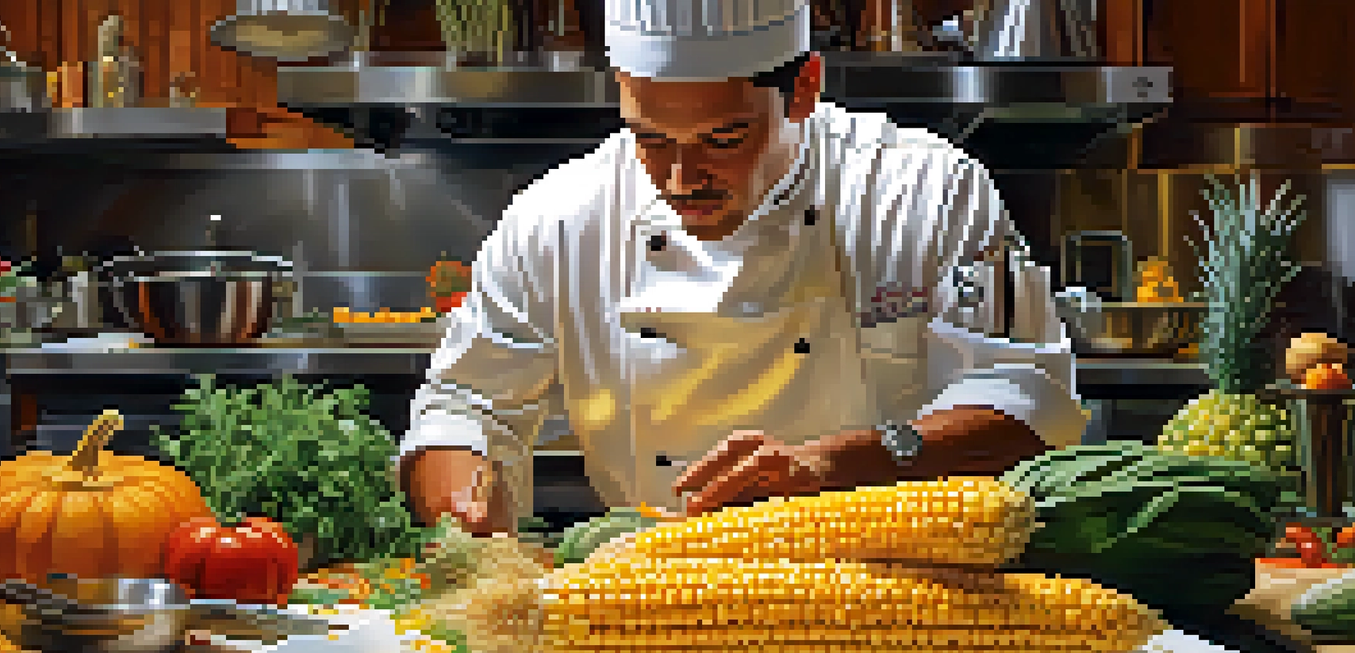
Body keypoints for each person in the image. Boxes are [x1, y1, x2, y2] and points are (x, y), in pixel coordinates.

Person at [397, 0, 1088, 534]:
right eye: (649, 138)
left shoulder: (925, 191)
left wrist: (835, 462)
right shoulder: (557, 220)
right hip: (657, 612)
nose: (679, 176)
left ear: (805, 89)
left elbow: (1023, 401)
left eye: (723, 139)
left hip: (904, 599)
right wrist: (464, 500)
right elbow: (464, 407)